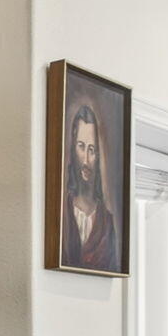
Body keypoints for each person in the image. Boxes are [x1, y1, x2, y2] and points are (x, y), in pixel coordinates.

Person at [63, 103, 118, 270]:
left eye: (92, 150)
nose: (86, 160)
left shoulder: (107, 222)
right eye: (81, 147)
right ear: (73, 149)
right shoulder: (61, 211)